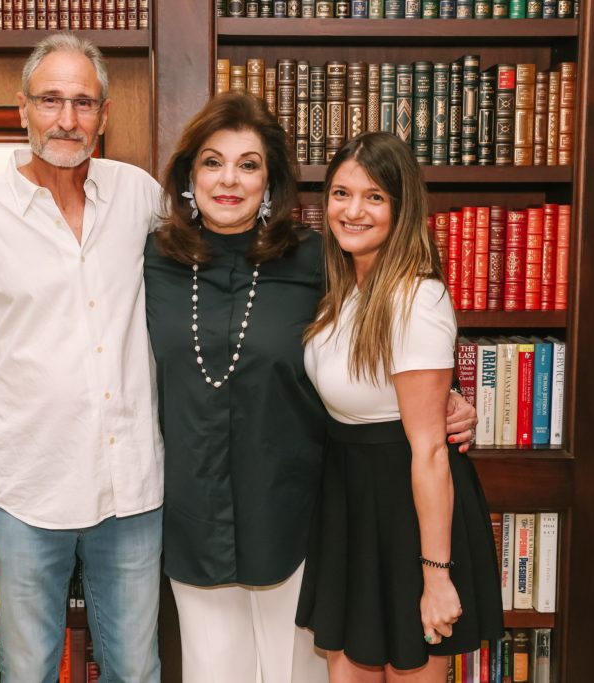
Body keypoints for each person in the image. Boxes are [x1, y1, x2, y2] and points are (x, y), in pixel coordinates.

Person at [144, 95, 479, 683]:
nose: (229, 179)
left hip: (305, 513)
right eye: (212, 162)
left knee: (300, 673)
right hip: (193, 513)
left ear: (271, 180)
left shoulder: (314, 258)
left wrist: (447, 400)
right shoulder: (150, 257)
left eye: (249, 164)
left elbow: (399, 329)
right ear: (188, 175)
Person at [0, 33, 163, 683]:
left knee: (136, 668)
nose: (67, 119)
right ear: (21, 108)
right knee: (27, 667)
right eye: (51, 100)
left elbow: (211, 280)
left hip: (131, 483)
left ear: (105, 115)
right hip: (27, 486)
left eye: (84, 103)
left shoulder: (140, 197)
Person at [296, 132, 504, 682]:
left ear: (401, 206)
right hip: (350, 503)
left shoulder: (417, 297)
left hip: (409, 512)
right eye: (341, 194)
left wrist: (436, 575)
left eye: (373, 196)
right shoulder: (344, 289)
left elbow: (431, 451)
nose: (352, 210)